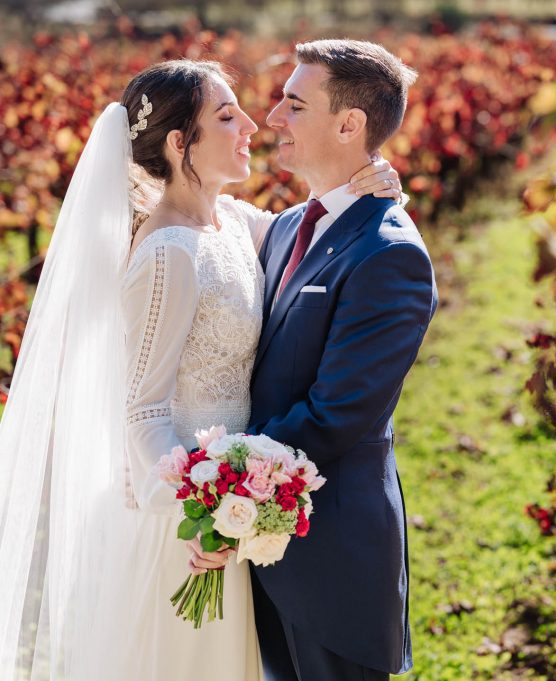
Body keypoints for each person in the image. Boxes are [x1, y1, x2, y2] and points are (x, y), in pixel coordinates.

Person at [0, 58, 403, 680]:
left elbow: (311, 236)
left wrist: (364, 185)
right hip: (187, 532)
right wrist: (201, 511)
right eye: (226, 115)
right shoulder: (168, 254)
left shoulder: (231, 222)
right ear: (178, 143)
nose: (250, 124)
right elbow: (144, 411)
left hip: (232, 510)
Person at [189, 39, 437, 680]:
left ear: (350, 125)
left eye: (294, 104)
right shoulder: (293, 222)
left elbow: (334, 415)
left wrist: (223, 497)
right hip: (262, 548)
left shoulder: (391, 256)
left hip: (331, 560)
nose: (272, 119)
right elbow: (181, 205)